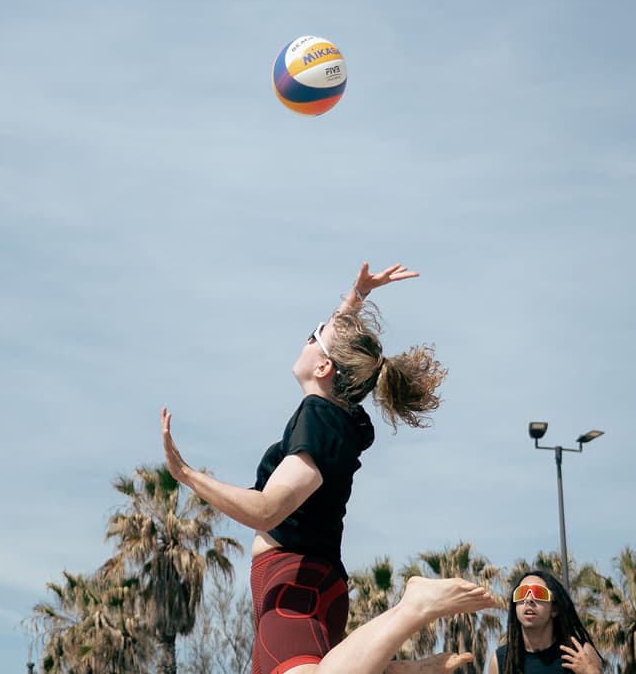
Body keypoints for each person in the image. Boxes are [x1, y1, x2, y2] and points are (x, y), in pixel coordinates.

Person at [162, 262, 495, 674]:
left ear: (323, 369)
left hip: (292, 580)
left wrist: (188, 475)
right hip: (315, 584)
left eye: (311, 337)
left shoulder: (317, 414)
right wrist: (356, 297)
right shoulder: (339, 418)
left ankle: (413, 609)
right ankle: (395, 669)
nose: (305, 339)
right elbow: (337, 343)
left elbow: (268, 509)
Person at [487, 570, 602, 674]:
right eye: (521, 593)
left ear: (554, 609)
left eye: (539, 593)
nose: (528, 600)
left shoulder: (580, 654)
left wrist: (589, 671)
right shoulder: (501, 660)